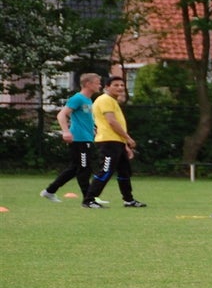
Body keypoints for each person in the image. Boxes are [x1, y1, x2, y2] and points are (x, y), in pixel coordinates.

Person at [41, 73, 108, 204]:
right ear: (88, 84)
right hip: (79, 140)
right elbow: (61, 115)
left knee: (74, 169)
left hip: (86, 139)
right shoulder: (77, 98)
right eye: (97, 83)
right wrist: (65, 132)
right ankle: (88, 199)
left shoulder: (88, 100)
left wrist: (93, 129)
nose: (100, 85)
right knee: (84, 169)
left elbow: (84, 119)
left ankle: (50, 191)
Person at [82, 77, 147, 209]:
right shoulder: (105, 100)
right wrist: (128, 138)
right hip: (108, 141)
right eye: (116, 85)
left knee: (124, 171)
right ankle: (89, 200)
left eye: (122, 85)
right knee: (106, 170)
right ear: (107, 87)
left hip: (117, 142)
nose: (120, 87)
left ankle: (128, 200)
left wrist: (124, 145)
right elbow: (111, 122)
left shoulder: (113, 101)